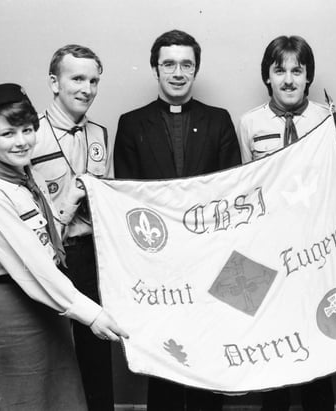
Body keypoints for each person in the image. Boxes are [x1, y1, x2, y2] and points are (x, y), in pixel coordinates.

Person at [0, 83, 127, 410]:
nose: (22, 141)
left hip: (49, 310)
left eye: (27, 130)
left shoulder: (26, 178)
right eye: (8, 134)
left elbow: (49, 237)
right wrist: (92, 314)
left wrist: (70, 199)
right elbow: (35, 268)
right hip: (15, 312)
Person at [237, 35, 336, 411]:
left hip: (317, 253)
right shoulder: (249, 123)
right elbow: (245, 190)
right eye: (280, 71)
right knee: (275, 350)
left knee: (318, 348)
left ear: (308, 76)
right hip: (271, 252)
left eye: (298, 70)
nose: (289, 80)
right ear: (267, 76)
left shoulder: (326, 118)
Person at [114, 29, 241, 411]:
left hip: (208, 263)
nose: (178, 72)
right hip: (159, 266)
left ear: (196, 69)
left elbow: (230, 191)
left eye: (186, 64)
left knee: (206, 354)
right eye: (168, 63)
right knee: (165, 360)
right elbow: (127, 199)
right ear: (155, 68)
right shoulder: (132, 124)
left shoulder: (218, 120)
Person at [29, 44, 115, 411]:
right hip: (49, 259)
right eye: (77, 78)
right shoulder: (29, 135)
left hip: (92, 256)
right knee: (52, 356)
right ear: (54, 82)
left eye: (94, 80)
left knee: (96, 357)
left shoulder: (100, 133)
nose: (87, 88)